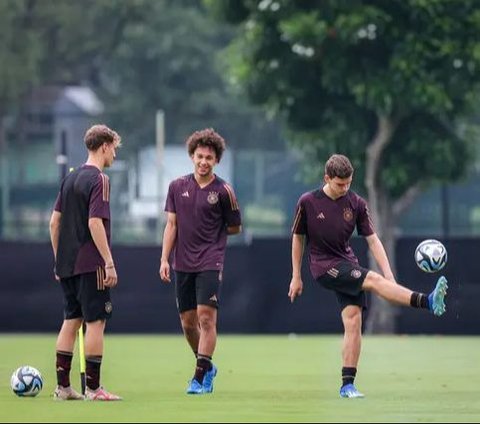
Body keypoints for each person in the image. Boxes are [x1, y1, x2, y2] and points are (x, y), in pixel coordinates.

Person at [288, 154, 448, 399]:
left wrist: (390, 276)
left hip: (347, 262)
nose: (345, 188)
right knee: (373, 281)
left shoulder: (357, 203)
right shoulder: (308, 202)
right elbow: (298, 238)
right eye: (340, 184)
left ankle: (347, 385)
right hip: (323, 266)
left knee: (353, 322)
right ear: (326, 178)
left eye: (349, 183)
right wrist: (295, 276)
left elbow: (373, 241)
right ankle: (427, 301)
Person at [159, 128, 242, 395]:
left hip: (210, 261)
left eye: (209, 157)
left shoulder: (224, 191)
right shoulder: (176, 187)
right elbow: (171, 225)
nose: (204, 161)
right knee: (187, 322)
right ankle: (207, 365)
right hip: (182, 262)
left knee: (207, 319)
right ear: (192, 157)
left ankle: (198, 378)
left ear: (216, 160)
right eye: (199, 156)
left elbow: (235, 227)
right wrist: (164, 259)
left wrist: (212, 238)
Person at [49, 124, 122, 401]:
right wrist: (109, 262)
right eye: (113, 148)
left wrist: (59, 260)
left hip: (67, 264)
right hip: (92, 264)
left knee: (71, 321)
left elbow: (54, 223)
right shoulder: (99, 180)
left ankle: (63, 388)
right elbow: (95, 222)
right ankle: (93, 389)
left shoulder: (70, 178)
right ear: (104, 146)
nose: (114, 153)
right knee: (96, 322)